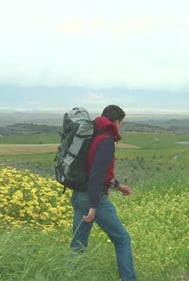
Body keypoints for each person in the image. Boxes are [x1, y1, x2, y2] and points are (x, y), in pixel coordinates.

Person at [70, 105, 137, 281]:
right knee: (122, 239)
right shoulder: (106, 141)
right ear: (116, 122)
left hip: (78, 195)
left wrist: (118, 186)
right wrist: (93, 205)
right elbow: (97, 174)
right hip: (93, 198)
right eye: (121, 123)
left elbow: (99, 172)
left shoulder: (92, 134)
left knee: (78, 244)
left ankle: (67, 274)